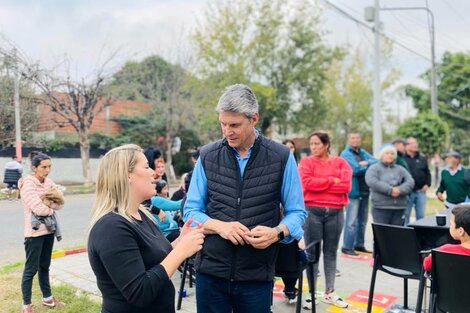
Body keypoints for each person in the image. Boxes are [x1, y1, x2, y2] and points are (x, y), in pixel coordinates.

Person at [183, 84, 306, 313]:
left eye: (234, 125)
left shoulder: (281, 157)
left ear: (254, 119)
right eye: (222, 124)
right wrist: (221, 227)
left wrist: (276, 233)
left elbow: (297, 212)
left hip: (257, 275)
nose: (227, 131)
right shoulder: (207, 155)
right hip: (211, 273)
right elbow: (190, 211)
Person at [87, 144, 204, 313]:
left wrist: (179, 242)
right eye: (147, 166)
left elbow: (152, 260)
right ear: (127, 176)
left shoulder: (142, 214)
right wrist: (181, 252)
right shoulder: (111, 227)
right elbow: (140, 292)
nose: (153, 173)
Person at [298, 131, 352, 309]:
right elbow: (306, 184)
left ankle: (330, 292)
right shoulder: (306, 162)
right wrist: (331, 180)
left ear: (326, 144)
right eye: (311, 144)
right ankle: (312, 293)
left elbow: (346, 185)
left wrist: (320, 183)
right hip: (312, 211)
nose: (313, 147)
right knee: (312, 253)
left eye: (317, 144)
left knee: (330, 252)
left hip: (336, 212)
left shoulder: (341, 162)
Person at [19, 152, 64, 313]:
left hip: (49, 230)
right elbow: (38, 208)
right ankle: (26, 305)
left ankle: (48, 299)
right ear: (34, 168)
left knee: (45, 266)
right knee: (31, 269)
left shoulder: (49, 182)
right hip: (34, 233)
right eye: (44, 167)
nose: (47, 170)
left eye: (49, 166)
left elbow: (60, 203)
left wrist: (49, 204)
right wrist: (50, 204)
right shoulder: (27, 184)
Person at [275, 139, 303, 304]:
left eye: (291, 147)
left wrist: (298, 233)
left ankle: (290, 288)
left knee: (291, 250)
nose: (288, 150)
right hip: (275, 223)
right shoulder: (274, 166)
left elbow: (296, 208)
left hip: (290, 224)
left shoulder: (296, 167)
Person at [340, 132, 377, 256]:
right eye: (352, 138)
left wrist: (365, 163)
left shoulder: (362, 152)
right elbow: (354, 170)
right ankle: (347, 246)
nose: (355, 140)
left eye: (357, 138)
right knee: (351, 222)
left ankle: (359, 245)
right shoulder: (345, 154)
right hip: (353, 192)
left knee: (362, 220)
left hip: (365, 191)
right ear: (348, 140)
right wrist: (368, 165)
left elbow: (376, 161)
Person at [365, 144, 415, 226]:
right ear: (382, 155)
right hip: (381, 207)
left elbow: (410, 181)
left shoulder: (400, 169)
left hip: (399, 207)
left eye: (392, 154)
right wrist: (390, 190)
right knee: (382, 236)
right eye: (387, 153)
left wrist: (400, 190)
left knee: (397, 235)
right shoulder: (374, 168)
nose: (389, 155)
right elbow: (372, 181)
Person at [423, 203, 470, 271]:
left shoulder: (445, 251)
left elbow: (426, 265)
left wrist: (431, 255)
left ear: (460, 231)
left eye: (451, 224)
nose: (449, 226)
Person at [404, 137, 431, 225]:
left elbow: (427, 172)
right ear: (406, 146)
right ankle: (406, 236)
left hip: (420, 192)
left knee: (420, 216)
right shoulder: (402, 159)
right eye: (412, 143)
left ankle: (419, 237)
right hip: (407, 192)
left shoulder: (422, 158)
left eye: (416, 143)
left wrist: (427, 184)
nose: (415, 145)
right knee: (406, 215)